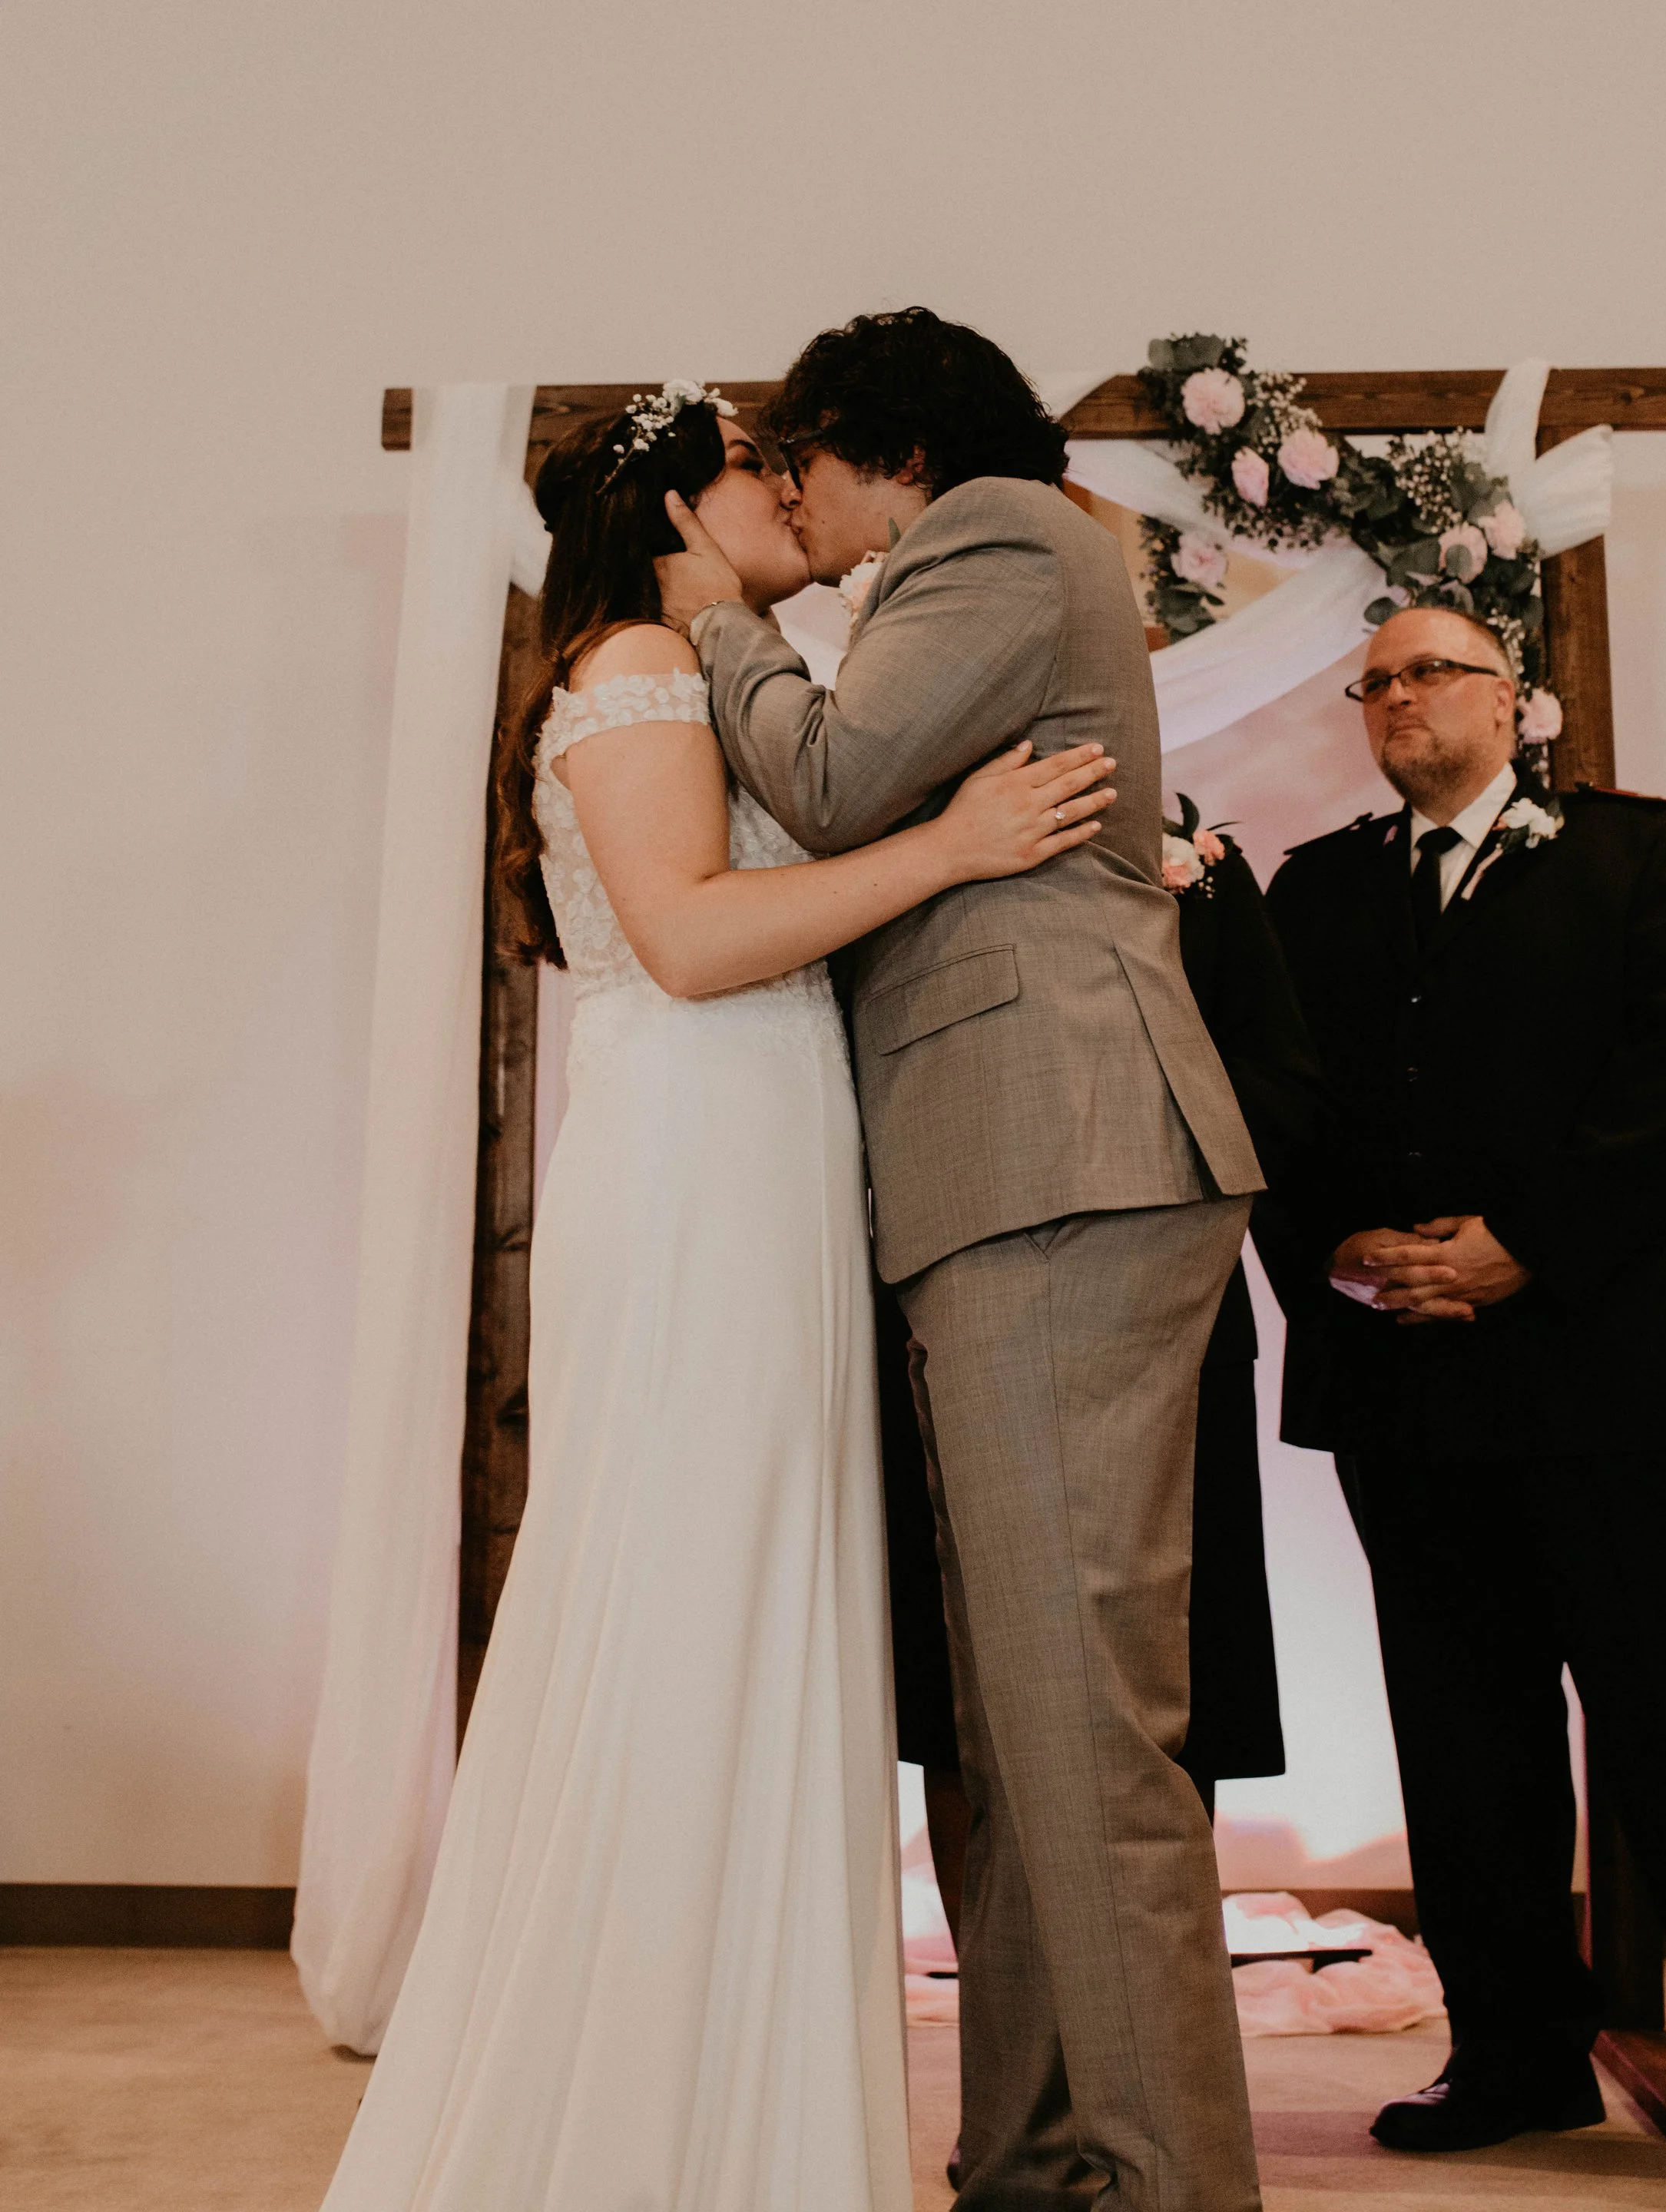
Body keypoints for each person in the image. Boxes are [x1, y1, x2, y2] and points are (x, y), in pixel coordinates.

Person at [316, 385, 1120, 2212]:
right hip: (696, 1157)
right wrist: (950, 846)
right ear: (682, 499)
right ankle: (651, 2124)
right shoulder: (631, 673)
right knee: (690, 1590)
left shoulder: (697, 664)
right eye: (765, 469)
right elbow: (682, 940)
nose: (794, 494)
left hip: (756, 1151)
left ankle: (744, 2105)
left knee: (762, 1586)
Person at [661, 310, 1268, 2212]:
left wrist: (715, 617)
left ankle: (1167, 2186)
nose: (794, 507)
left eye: (804, 469)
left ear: (889, 452)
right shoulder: (985, 546)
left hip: (1058, 1153)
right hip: (1000, 1168)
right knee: (1011, 1729)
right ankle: (1036, 2164)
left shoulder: (998, 533)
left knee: (1080, 1729)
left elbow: (832, 783)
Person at [1256, 603, 1666, 2207]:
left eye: (1427, 670)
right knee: (1464, 1741)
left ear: (1509, 701)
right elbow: (1273, 1097)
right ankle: (1514, 2052)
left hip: (1604, 1374)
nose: (1394, 697)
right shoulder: (1316, 888)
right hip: (1402, 1377)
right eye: (1371, 680)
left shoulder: (1633, 859)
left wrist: (1520, 1247)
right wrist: (1330, 1239)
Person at [881, 810, 1324, 2192]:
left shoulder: (1191, 855)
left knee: (1144, 1723)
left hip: (1159, 1326)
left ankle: (1148, 2115)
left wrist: (1125, 1141)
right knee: (970, 1732)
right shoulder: (907, 848)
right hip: (945, 1313)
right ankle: (1016, 2124)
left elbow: (1286, 1088)